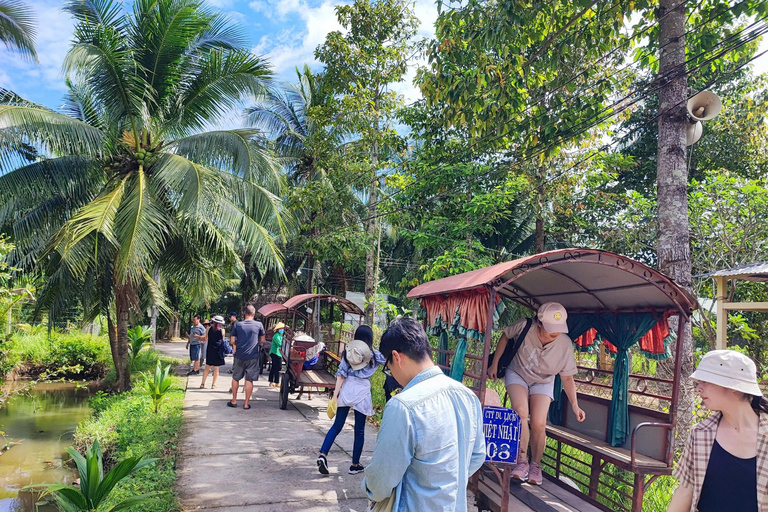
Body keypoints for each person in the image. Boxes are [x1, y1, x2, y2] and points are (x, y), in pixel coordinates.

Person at [362, 319, 485, 511]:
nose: (391, 374)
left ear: (397, 357)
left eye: (388, 367)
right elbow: (477, 454)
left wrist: (368, 487)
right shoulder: (468, 397)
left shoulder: (403, 406)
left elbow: (380, 482)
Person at [488, 302, 586, 485]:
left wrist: (574, 404)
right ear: (539, 323)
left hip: (544, 380)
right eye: (551, 328)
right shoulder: (525, 326)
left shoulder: (564, 344)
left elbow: (567, 378)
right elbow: (504, 337)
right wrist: (495, 363)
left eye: (558, 329)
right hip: (518, 373)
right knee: (521, 411)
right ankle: (522, 461)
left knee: (539, 423)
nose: (555, 333)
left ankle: (535, 465)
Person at [667, 350, 768, 512]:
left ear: (734, 387)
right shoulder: (700, 434)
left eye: (706, 381)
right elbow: (685, 491)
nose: (699, 388)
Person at [317, 325, 384, 476]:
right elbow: (388, 361)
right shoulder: (373, 355)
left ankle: (323, 454)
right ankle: (354, 465)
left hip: (347, 388)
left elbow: (341, 375)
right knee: (359, 430)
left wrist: (335, 396)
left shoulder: (347, 352)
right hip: (362, 391)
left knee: (337, 426)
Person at [228, 305, 265, 409]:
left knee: (235, 378)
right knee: (249, 379)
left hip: (239, 355)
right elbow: (262, 340)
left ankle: (234, 401)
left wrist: (238, 344)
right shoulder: (259, 325)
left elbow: (232, 341)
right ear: (253, 314)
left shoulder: (237, 325)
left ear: (244, 313)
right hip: (253, 356)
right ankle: (246, 404)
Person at [200, 316, 226, 389]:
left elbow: (206, 338)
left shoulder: (208, 329)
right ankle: (213, 384)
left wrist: (199, 337)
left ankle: (202, 383)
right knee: (216, 368)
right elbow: (222, 339)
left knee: (207, 367)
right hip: (218, 351)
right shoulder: (222, 331)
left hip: (210, 349)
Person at [268, 322, 285, 387]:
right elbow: (280, 344)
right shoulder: (276, 336)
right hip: (275, 353)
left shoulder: (280, 335)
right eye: (282, 329)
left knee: (274, 367)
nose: (283, 330)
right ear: (278, 329)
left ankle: (271, 382)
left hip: (277, 353)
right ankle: (277, 382)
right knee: (278, 368)